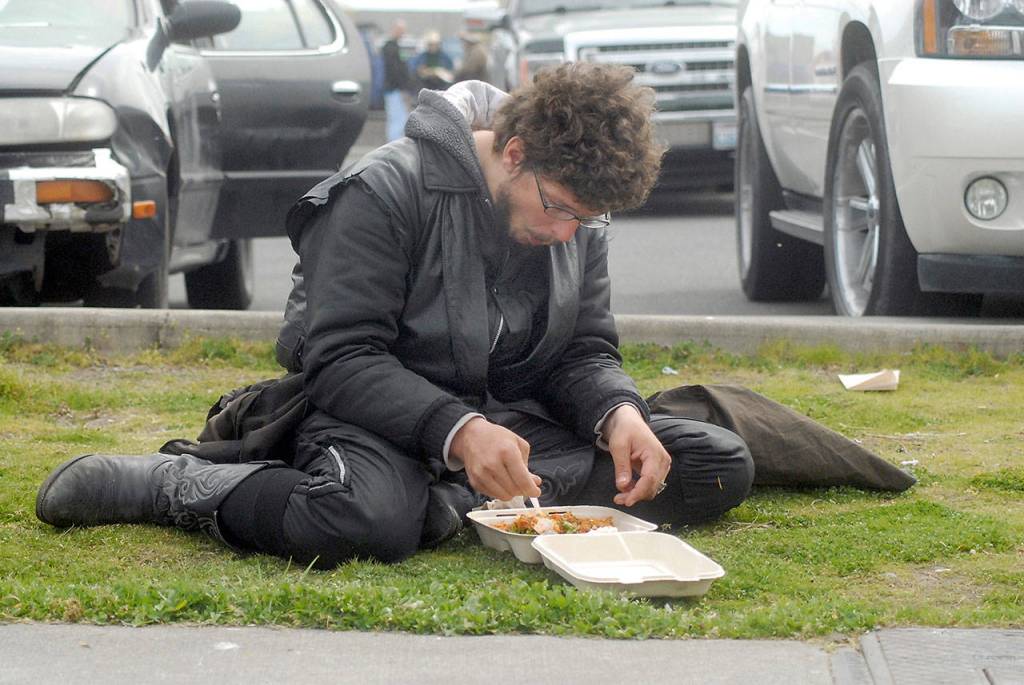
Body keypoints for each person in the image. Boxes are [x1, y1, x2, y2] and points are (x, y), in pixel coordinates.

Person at [35, 65, 754, 569]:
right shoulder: (381, 191)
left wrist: (619, 415)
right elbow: (338, 360)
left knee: (712, 463)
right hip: (369, 410)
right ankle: (179, 486)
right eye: (559, 208)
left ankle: (446, 502)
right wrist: (460, 430)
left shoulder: (573, 218)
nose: (569, 232)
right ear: (512, 153)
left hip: (503, 414)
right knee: (365, 521)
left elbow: (583, 350)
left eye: (587, 220)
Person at [381, 19, 411, 142]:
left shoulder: (393, 47)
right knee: (398, 119)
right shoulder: (391, 48)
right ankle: (393, 143)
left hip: (393, 89)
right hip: (394, 89)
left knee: (398, 118)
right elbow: (395, 70)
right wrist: (403, 87)